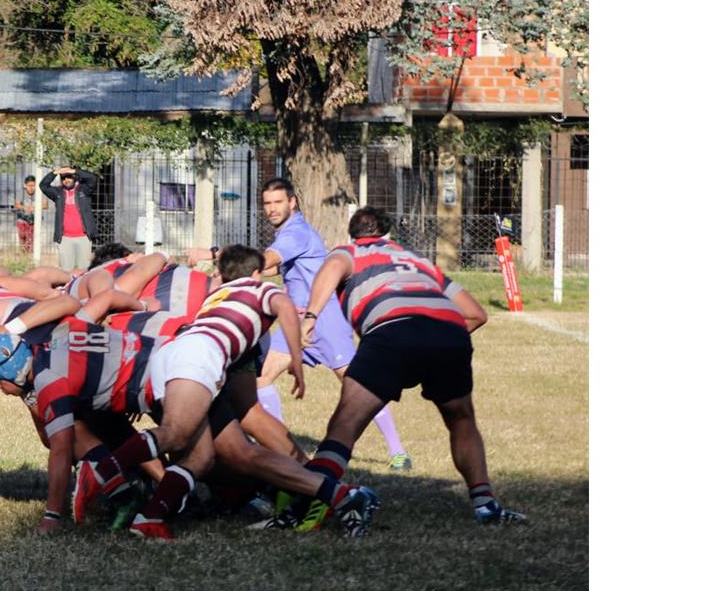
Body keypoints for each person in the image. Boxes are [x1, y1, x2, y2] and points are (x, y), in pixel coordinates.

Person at [70, 244, 380, 540]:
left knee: (207, 456)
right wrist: (296, 361)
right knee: (178, 433)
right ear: (257, 273)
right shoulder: (260, 288)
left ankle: (151, 519)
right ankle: (100, 471)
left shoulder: (216, 292)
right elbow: (284, 305)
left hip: (175, 352)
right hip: (200, 354)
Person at [298, 206, 525, 526]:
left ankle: (312, 502)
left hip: (391, 332)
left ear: (353, 235)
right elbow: (476, 314)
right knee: (461, 419)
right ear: (387, 233)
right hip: (448, 334)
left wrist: (311, 316)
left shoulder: (349, 252)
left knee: (345, 424)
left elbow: (334, 266)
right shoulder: (418, 260)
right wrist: (433, 344)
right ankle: (486, 506)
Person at [187, 177, 413, 476]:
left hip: (325, 320)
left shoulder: (296, 233)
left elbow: (264, 260)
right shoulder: (289, 233)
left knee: (358, 386)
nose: (271, 209)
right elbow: (269, 268)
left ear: (292, 202)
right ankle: (281, 446)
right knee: (261, 377)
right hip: (298, 322)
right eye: (267, 203)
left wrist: (214, 254)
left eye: (278, 202)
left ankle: (398, 452)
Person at [39, 166, 99, 271]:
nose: (67, 180)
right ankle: (67, 288)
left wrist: (75, 171)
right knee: (66, 270)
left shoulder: (84, 190)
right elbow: (43, 185)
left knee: (84, 269)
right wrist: (55, 172)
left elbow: (92, 178)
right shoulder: (57, 193)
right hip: (65, 238)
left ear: (74, 177)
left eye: (69, 177)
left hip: (84, 237)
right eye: (63, 178)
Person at [12, 175, 47, 249]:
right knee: (22, 236)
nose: (31, 188)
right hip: (22, 219)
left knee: (30, 239)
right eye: (29, 185)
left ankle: (28, 253)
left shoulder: (40, 192)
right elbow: (16, 205)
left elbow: (46, 205)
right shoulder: (21, 193)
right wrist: (25, 208)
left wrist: (35, 208)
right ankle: (23, 250)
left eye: (33, 185)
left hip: (34, 220)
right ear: (25, 185)